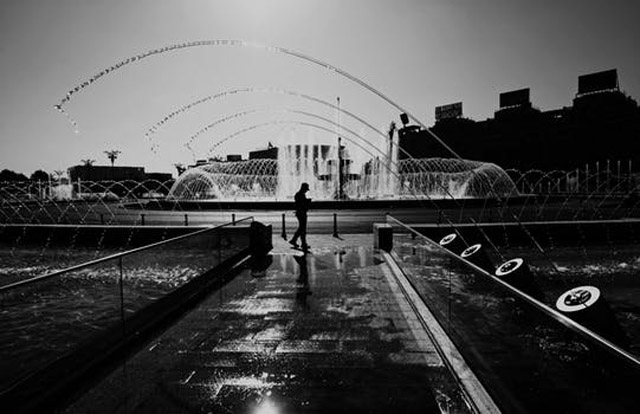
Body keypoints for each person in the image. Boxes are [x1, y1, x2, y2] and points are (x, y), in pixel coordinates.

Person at [289, 182, 311, 250]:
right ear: (303, 188)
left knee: (301, 228)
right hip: (301, 213)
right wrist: (307, 202)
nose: (306, 191)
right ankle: (301, 243)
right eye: (306, 189)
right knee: (302, 229)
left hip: (300, 213)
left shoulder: (299, 194)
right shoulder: (300, 195)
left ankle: (295, 240)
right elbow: (301, 204)